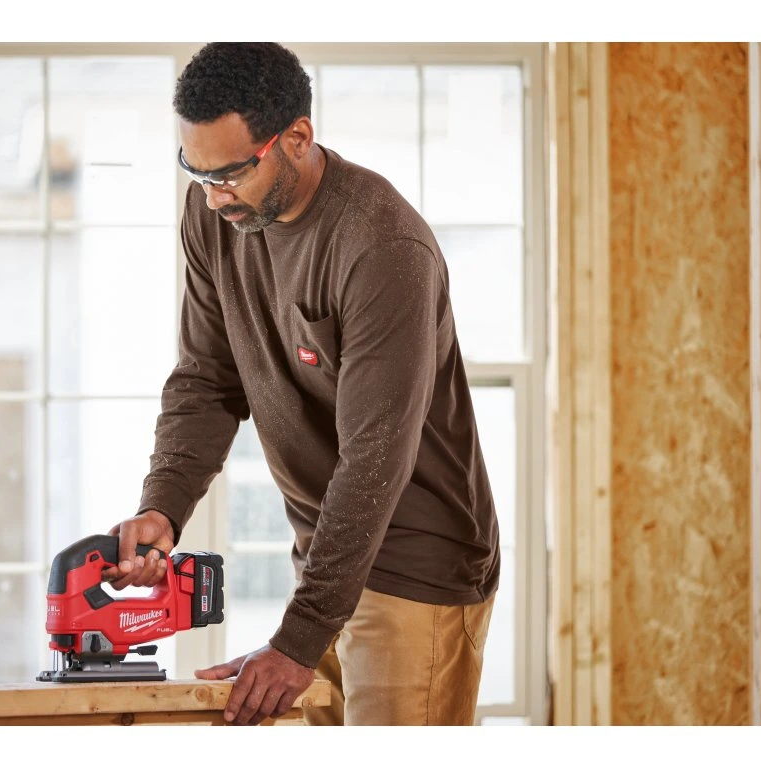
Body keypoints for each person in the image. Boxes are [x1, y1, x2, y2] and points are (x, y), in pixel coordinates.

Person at [101, 42, 500, 726]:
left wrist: (298, 637)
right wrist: (163, 508)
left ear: (296, 137)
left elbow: (374, 458)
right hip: (326, 560)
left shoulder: (381, 248)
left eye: (230, 173)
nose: (213, 195)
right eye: (195, 172)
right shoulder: (215, 214)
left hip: (416, 570)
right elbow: (205, 378)